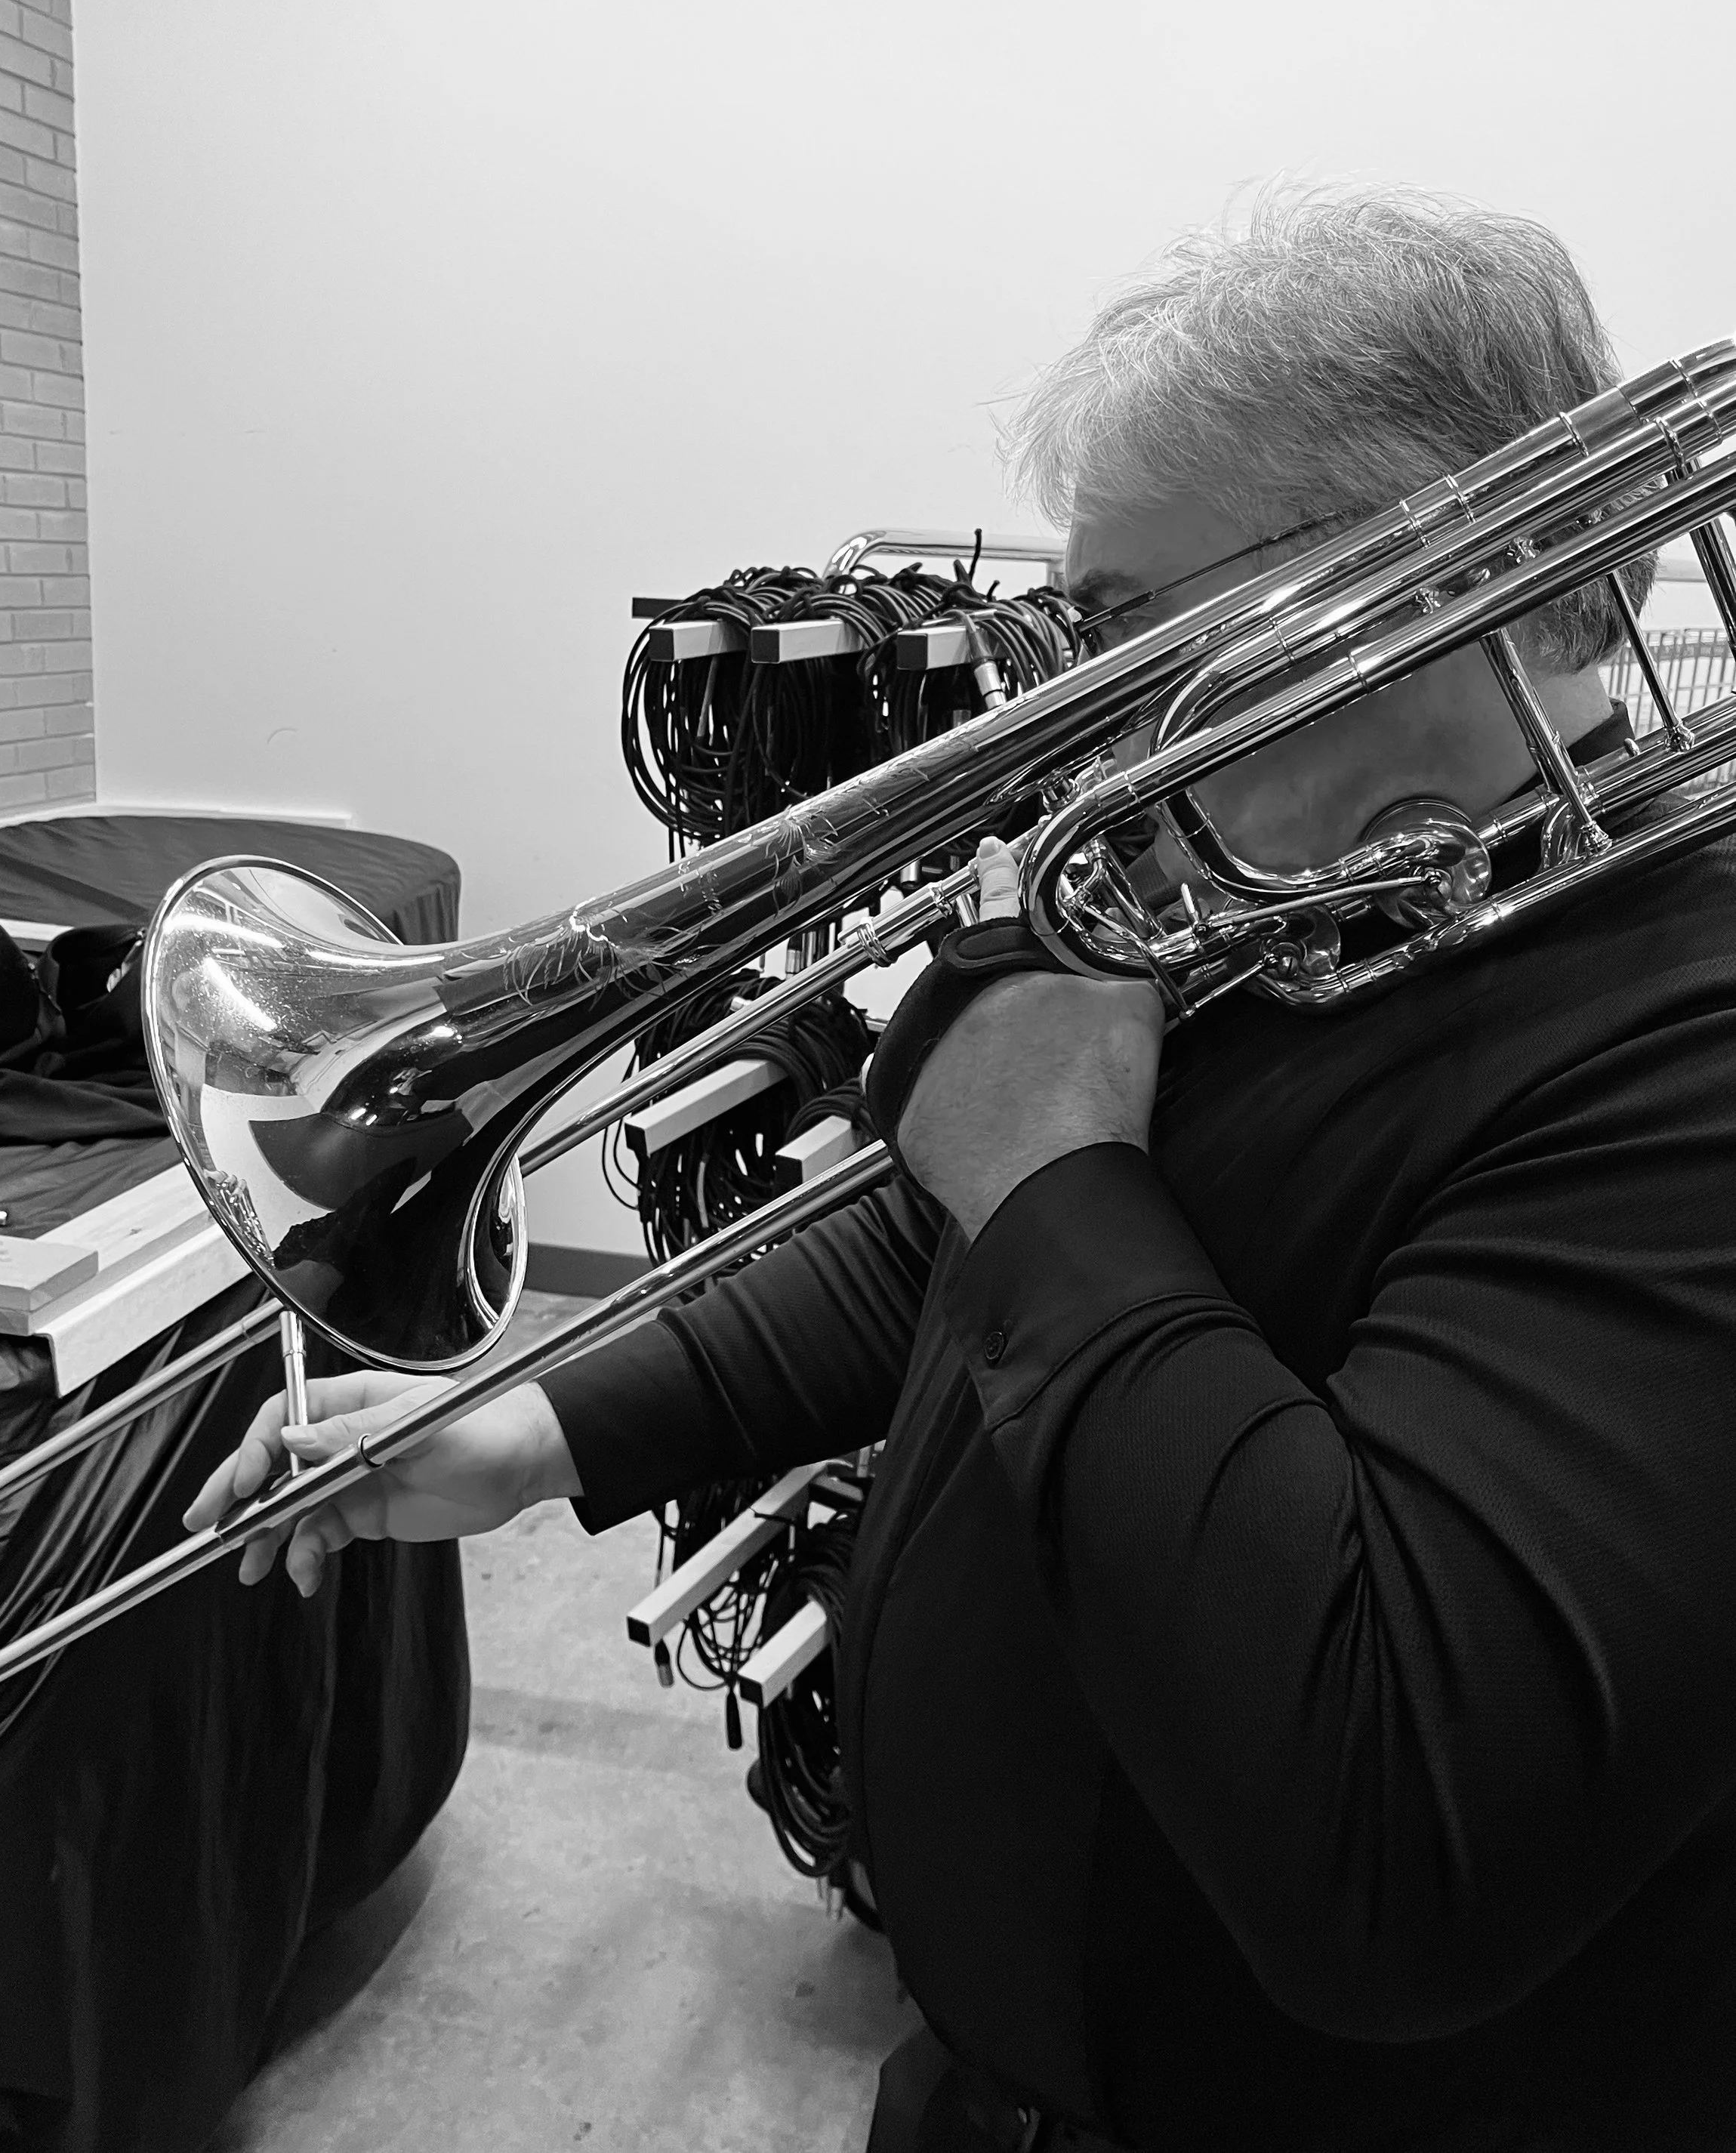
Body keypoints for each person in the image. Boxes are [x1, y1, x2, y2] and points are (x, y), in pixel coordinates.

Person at [189, 189, 1736, 2152]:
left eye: (1133, 631)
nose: (1081, 717)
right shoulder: (1328, 889)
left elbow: (1392, 1841)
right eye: (1078, 633)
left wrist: (1051, 1171)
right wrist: (527, 1434)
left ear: (1481, 579)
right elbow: (949, 1253)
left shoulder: (1685, 1040)